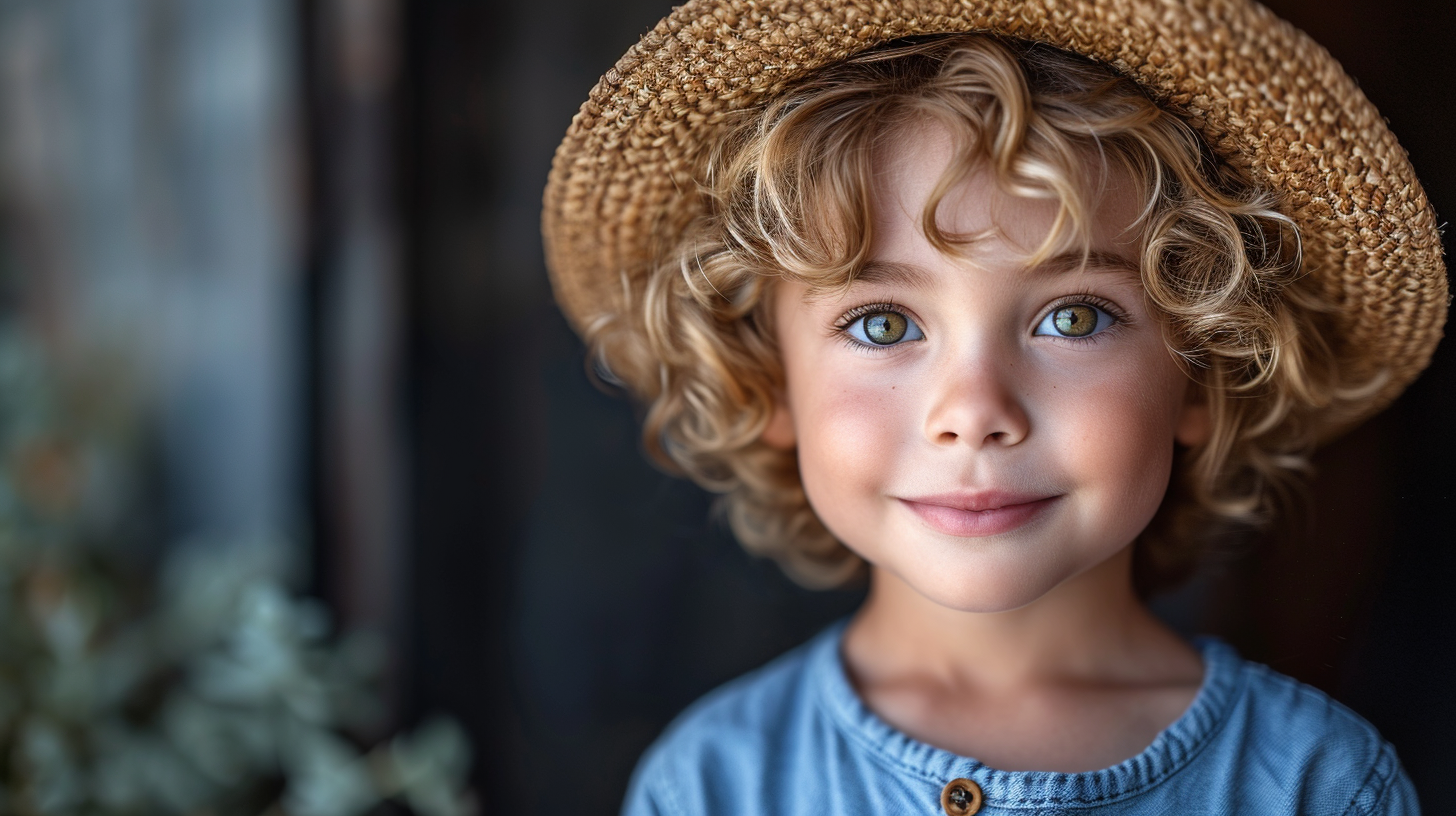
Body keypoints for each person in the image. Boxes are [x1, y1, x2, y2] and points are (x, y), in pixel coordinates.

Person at [540, 2, 1446, 814]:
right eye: (883, 321)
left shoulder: (1316, 785)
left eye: (1075, 316)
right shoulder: (714, 786)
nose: (974, 411)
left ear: (1206, 371)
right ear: (767, 380)